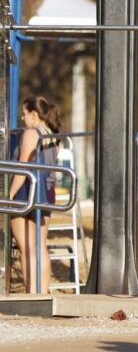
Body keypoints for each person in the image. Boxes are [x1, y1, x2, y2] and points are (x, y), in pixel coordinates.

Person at [8, 96, 62, 294]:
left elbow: (23, 166)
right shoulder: (53, 135)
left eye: (24, 114)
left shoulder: (31, 133)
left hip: (26, 191)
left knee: (26, 247)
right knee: (39, 246)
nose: (23, 119)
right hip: (45, 191)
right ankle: (42, 291)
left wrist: (10, 194)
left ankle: (32, 292)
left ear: (33, 114)